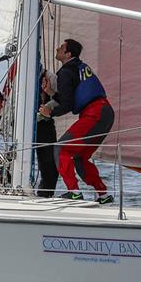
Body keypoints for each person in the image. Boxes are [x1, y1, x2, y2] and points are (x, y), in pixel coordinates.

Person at [39, 39, 114, 204]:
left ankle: (73, 192)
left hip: (95, 113)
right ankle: (103, 194)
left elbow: (67, 105)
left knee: (60, 148)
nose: (57, 48)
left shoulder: (66, 72)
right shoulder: (77, 67)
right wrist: (51, 92)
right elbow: (70, 98)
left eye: (61, 47)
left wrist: (49, 112)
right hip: (104, 112)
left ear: (68, 54)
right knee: (79, 157)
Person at [35, 69, 60, 197]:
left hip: (44, 123)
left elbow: (61, 98)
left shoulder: (50, 77)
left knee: (49, 164)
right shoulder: (18, 75)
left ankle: (44, 195)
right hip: (21, 123)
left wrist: (47, 108)